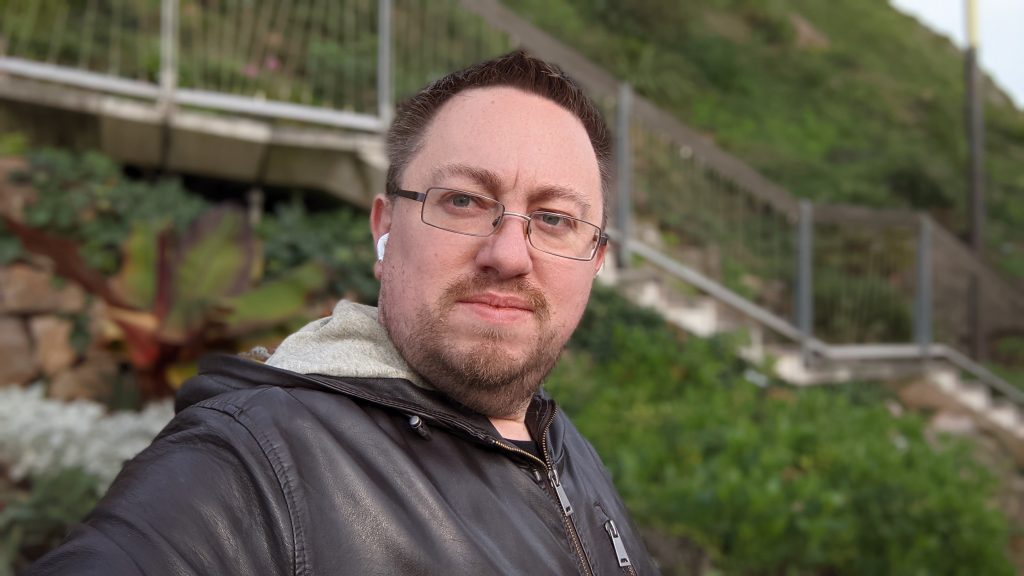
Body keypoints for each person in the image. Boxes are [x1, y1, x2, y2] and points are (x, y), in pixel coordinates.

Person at [30, 50, 659, 575]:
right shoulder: (255, 465)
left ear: (595, 260)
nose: (509, 255)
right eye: (464, 201)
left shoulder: (564, 448)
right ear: (385, 229)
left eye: (554, 219)